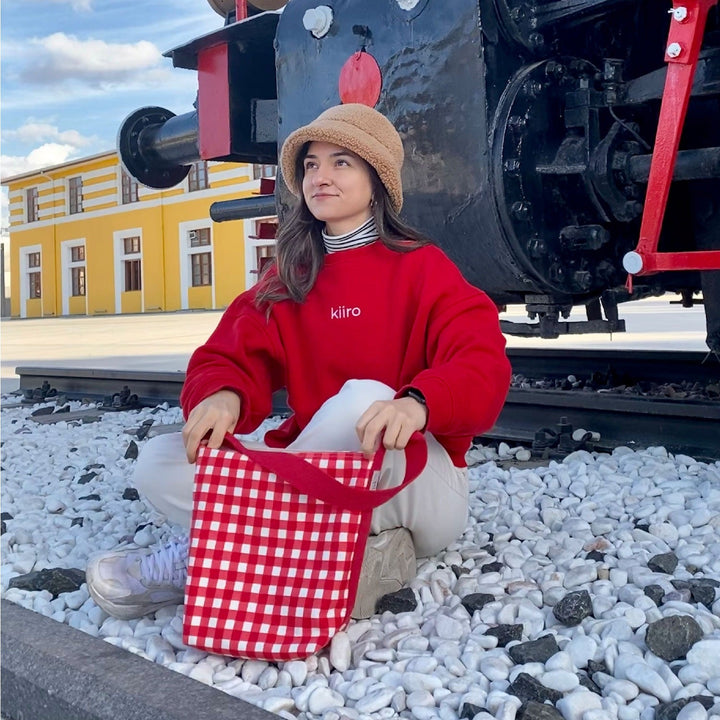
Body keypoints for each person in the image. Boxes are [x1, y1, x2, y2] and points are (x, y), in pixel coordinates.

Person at [86, 103, 512, 622]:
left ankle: (207, 557)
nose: (320, 176)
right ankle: (309, 553)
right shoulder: (290, 276)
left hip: (413, 479)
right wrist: (222, 394)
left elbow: (482, 361)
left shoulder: (423, 267)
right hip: (321, 476)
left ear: (377, 182)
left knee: (365, 398)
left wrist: (419, 404)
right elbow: (226, 355)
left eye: (340, 163)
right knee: (158, 460)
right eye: (311, 165)